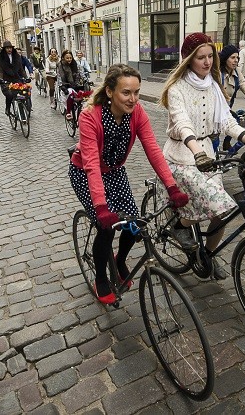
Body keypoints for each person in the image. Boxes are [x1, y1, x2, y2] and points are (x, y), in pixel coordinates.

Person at [69, 64, 190, 304]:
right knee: (105, 229)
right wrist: (101, 207)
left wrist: (172, 187)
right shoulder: (90, 115)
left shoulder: (137, 112)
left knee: (133, 225)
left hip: (115, 172)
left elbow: (153, 150)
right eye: (126, 93)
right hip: (85, 173)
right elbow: (91, 163)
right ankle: (101, 278)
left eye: (136, 92)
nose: (133, 99)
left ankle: (119, 259)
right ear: (111, 91)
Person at [160, 33, 245, 280]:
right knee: (218, 203)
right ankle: (179, 225)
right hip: (181, 156)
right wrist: (196, 151)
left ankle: (207, 256)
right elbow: (181, 123)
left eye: (210, 56)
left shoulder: (213, 86)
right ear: (189, 59)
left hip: (208, 156)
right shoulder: (177, 88)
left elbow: (226, 122)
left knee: (222, 213)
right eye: (201, 57)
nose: (208, 61)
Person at [0, 40, 31, 116]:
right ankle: (7, 108)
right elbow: (1, 71)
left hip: (16, 78)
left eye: (10, 48)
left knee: (23, 92)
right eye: (7, 48)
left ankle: (23, 113)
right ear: (4, 49)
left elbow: (21, 70)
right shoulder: (2, 59)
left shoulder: (17, 57)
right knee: (9, 95)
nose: (9, 50)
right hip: (6, 80)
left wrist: (26, 77)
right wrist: (1, 79)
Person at [58, 50, 84, 120]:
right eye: (67, 58)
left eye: (70, 58)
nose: (69, 59)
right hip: (67, 86)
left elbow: (81, 74)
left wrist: (86, 81)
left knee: (83, 97)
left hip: (76, 85)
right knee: (70, 93)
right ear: (63, 58)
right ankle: (68, 112)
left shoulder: (76, 65)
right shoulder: (61, 66)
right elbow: (60, 77)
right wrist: (62, 86)